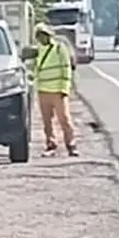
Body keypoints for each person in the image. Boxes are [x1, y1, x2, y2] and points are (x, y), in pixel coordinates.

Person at [32, 22, 78, 157]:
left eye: (43, 35)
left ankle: (71, 145)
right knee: (47, 121)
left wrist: (65, 89)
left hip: (58, 91)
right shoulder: (38, 50)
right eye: (39, 36)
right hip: (43, 90)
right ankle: (50, 144)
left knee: (64, 119)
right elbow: (35, 69)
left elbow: (66, 69)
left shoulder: (59, 48)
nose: (41, 38)